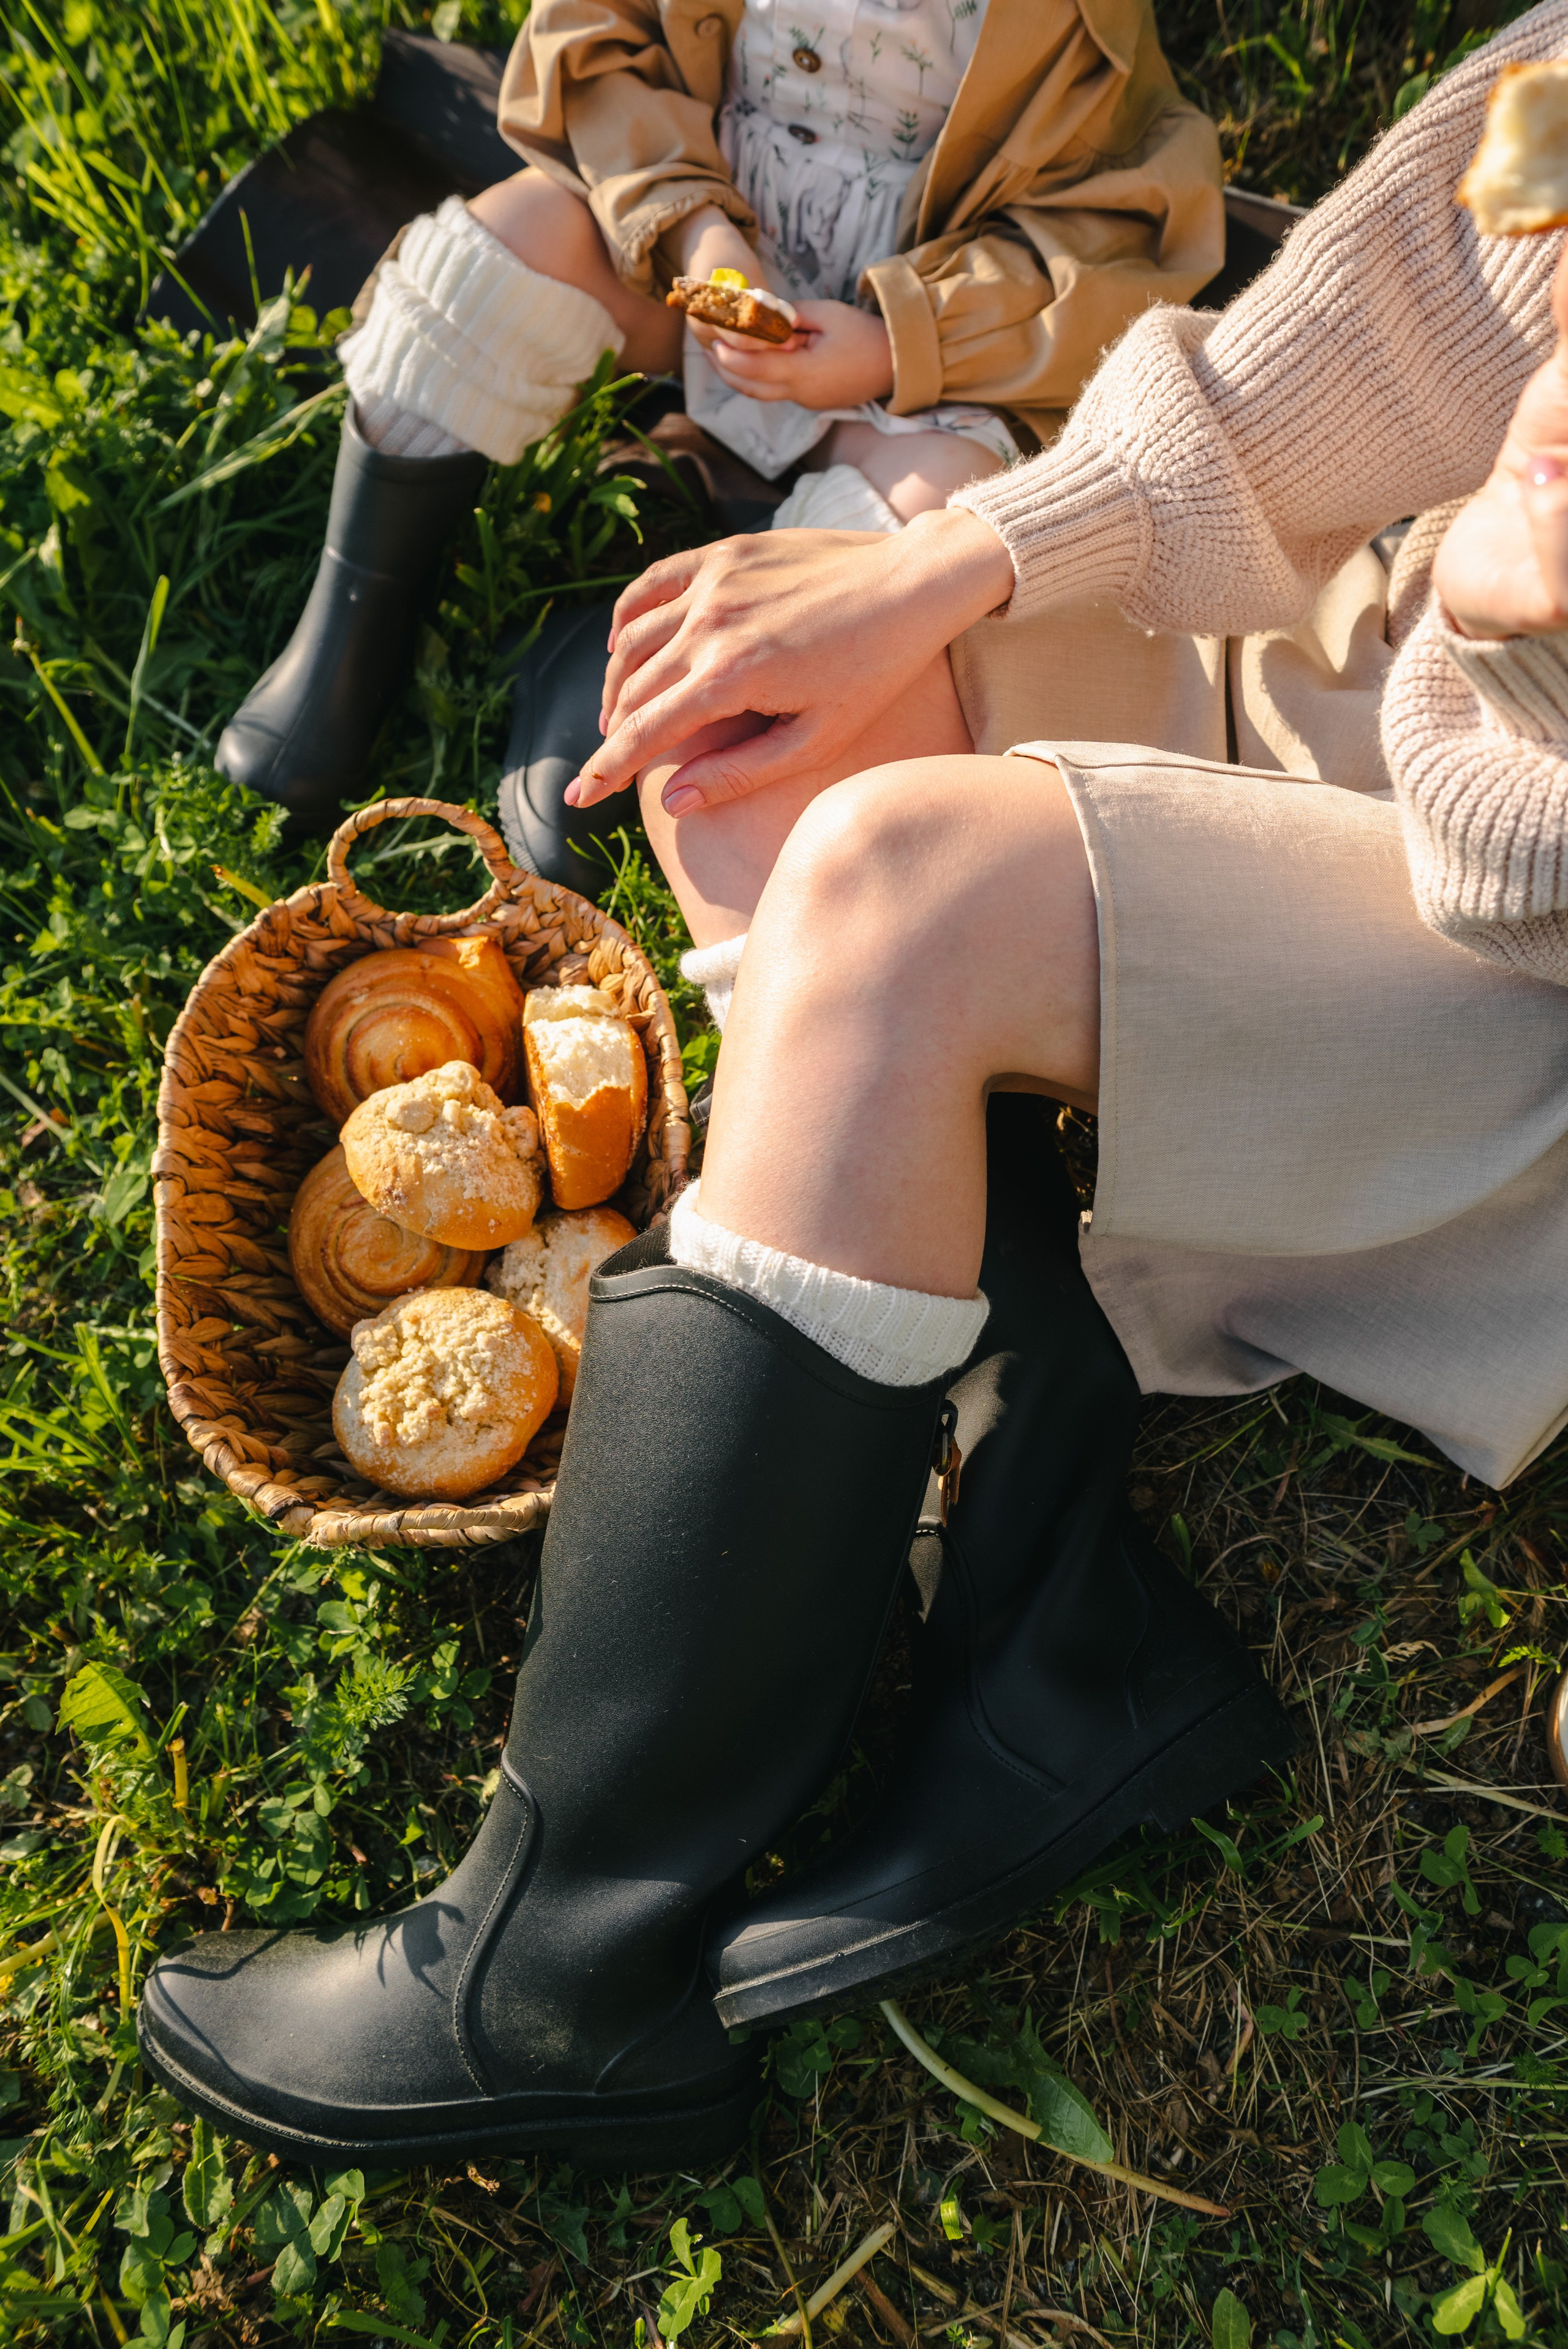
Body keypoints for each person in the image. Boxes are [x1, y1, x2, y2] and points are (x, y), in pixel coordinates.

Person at [136, 4, 1568, 2176]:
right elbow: (1341, 352)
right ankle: (1046, 1598)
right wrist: (922, 571)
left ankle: (561, 1967)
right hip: (1366, 675)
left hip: (1521, 967)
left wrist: (1516, 652)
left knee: (900, 896)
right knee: (755, 721)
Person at [214, 0, 1223, 832]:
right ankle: (358, 623)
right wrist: (697, 235)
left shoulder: (1069, 23)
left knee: (936, 511)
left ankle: (653, 679)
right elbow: (602, 44)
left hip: (916, 364)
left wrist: (900, 340)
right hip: (689, 269)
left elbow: (1104, 229)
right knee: (495, 253)